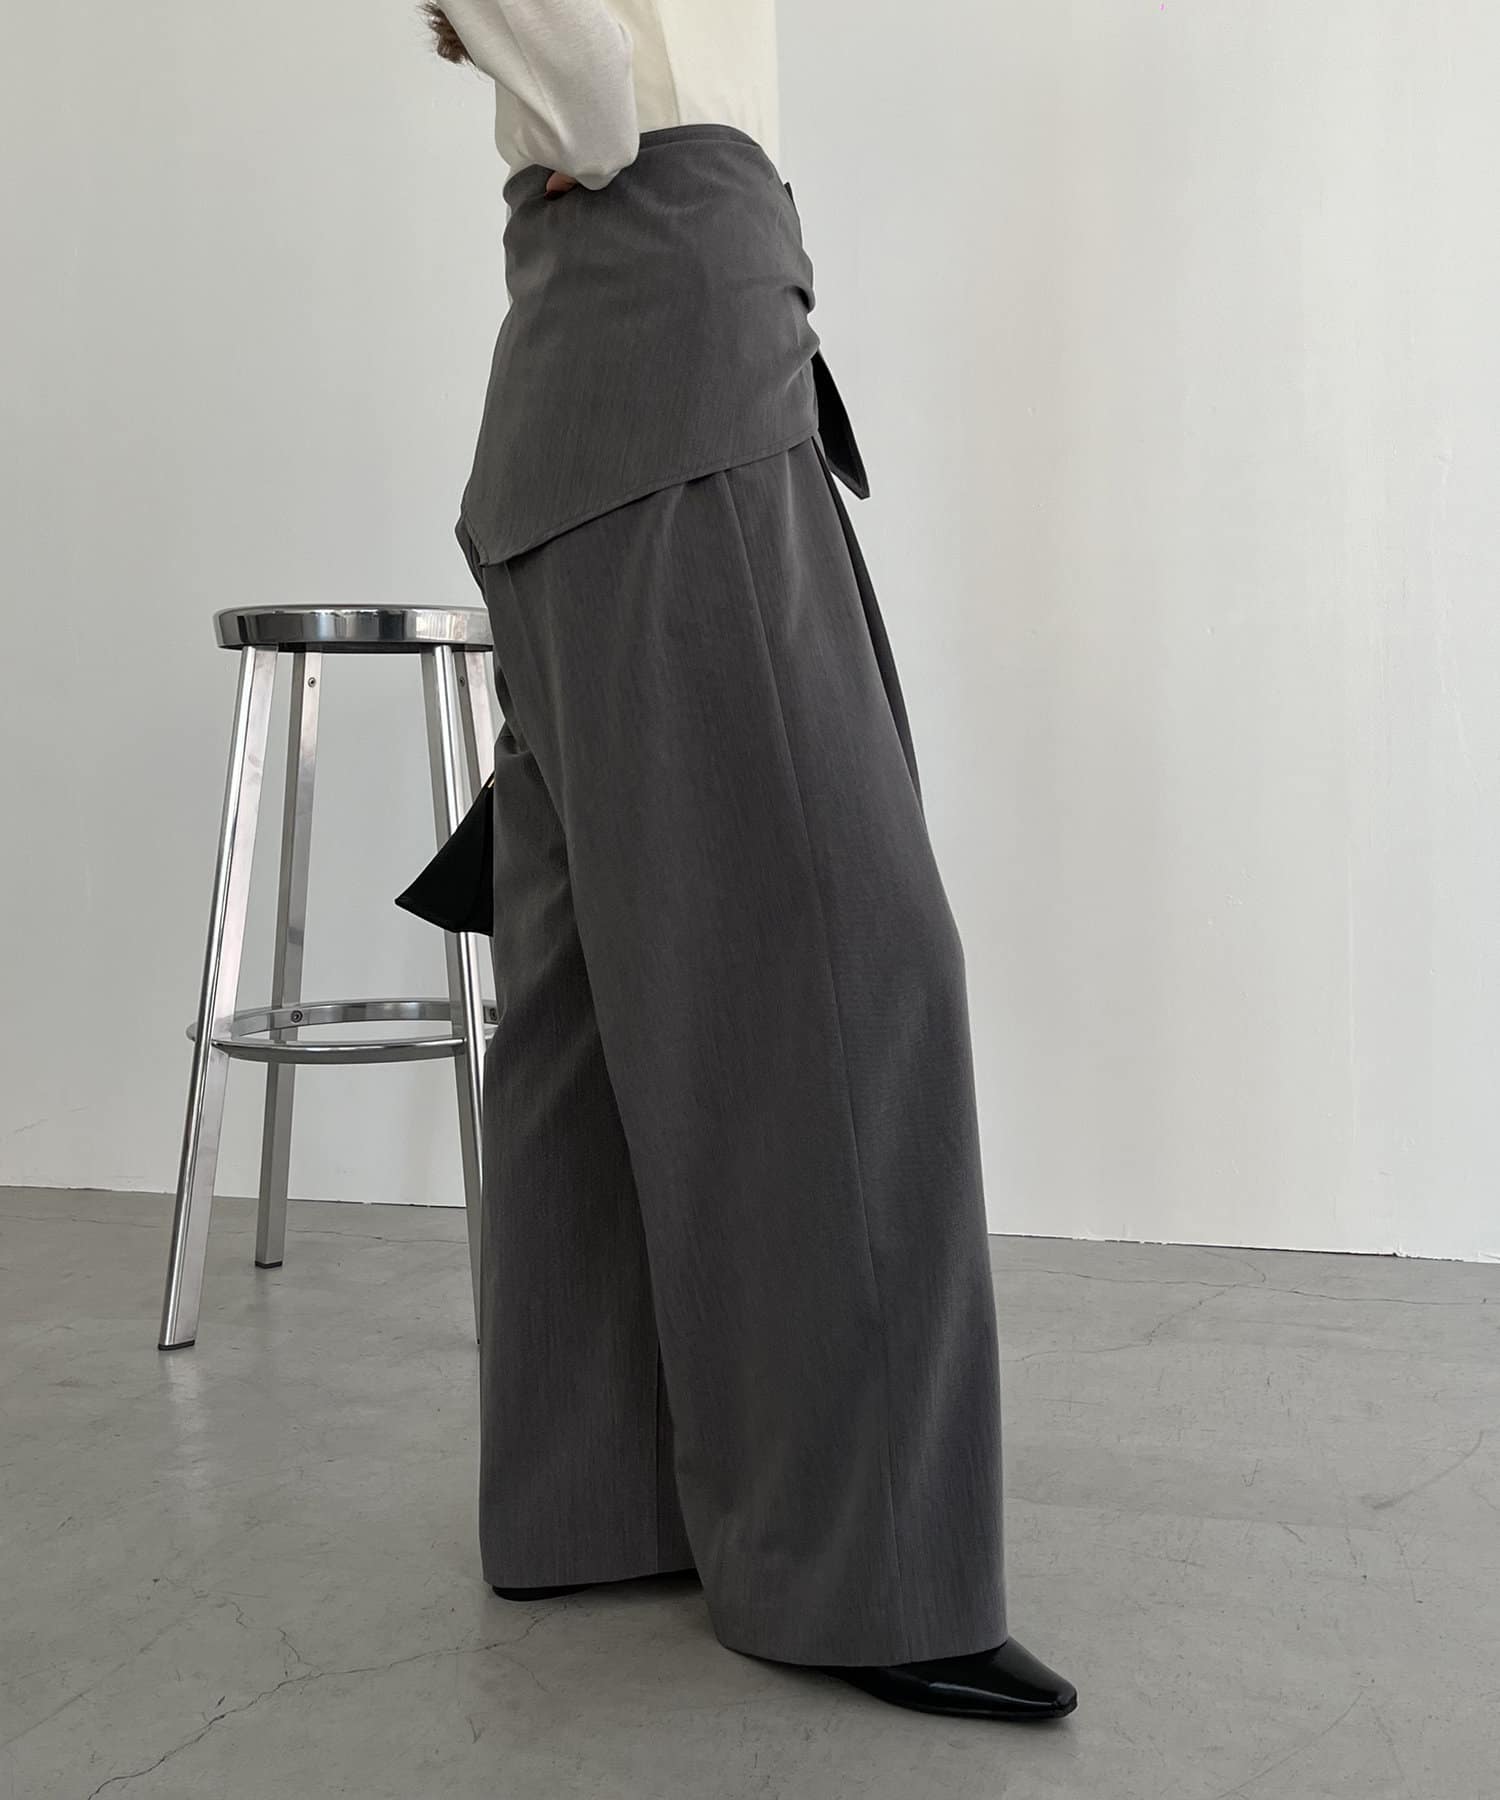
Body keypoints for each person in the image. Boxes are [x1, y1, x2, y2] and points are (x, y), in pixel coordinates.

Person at [424, 0, 1077, 1723]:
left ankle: (596, 1496)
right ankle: (869, 1572)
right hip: (671, 360)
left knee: (592, 980)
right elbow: (593, 94)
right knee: (844, 964)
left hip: (587, 393)